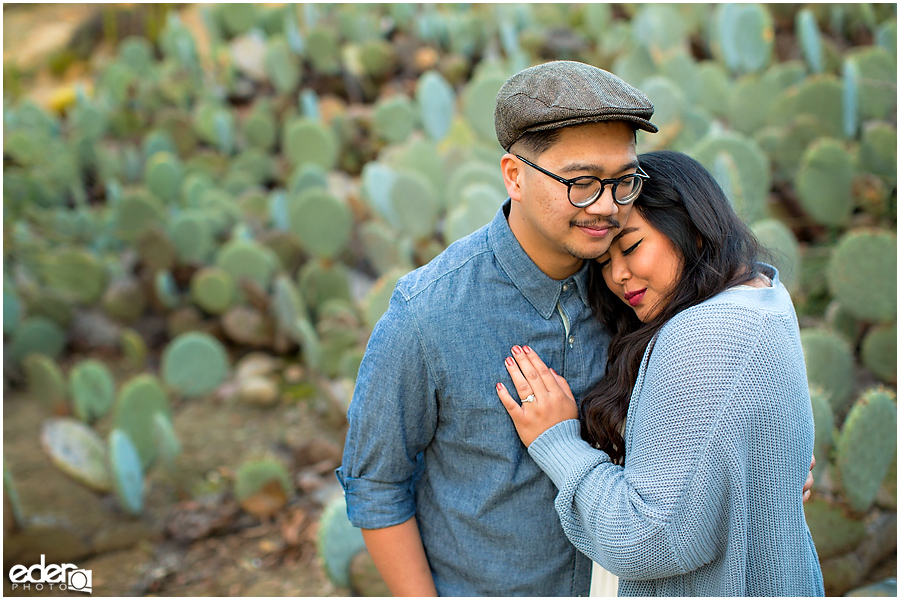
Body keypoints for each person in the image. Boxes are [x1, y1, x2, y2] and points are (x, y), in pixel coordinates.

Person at [337, 60, 659, 596]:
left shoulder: (637, 289)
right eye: (581, 183)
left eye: (623, 180)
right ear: (515, 175)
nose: (606, 206)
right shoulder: (428, 313)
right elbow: (376, 484)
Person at [496, 150, 825, 596]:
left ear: (693, 230)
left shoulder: (706, 333)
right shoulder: (763, 294)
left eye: (631, 246)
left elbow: (647, 541)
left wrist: (557, 442)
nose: (619, 276)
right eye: (604, 262)